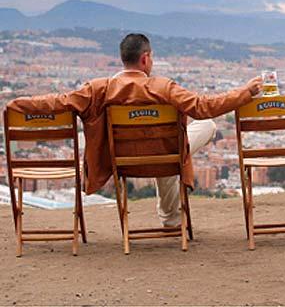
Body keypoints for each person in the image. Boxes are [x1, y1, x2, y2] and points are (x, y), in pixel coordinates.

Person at [7, 33, 262, 227]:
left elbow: (57, 102)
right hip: (165, 157)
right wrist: (244, 93)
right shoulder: (163, 87)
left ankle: (171, 217)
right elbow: (204, 107)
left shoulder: (99, 89)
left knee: (171, 151)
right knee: (202, 129)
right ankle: (171, 218)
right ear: (146, 58)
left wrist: (17, 104)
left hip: (120, 161)